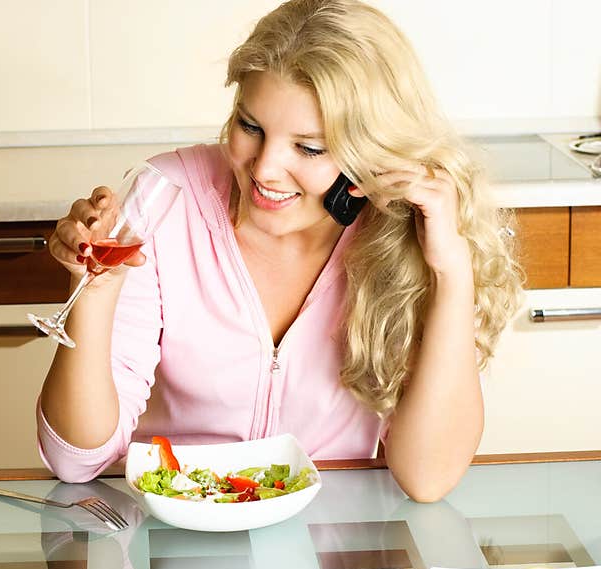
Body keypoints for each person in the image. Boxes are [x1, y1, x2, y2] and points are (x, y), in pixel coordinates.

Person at [33, 0, 523, 502]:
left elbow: (428, 478)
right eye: (250, 126)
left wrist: (450, 272)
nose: (265, 169)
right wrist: (92, 290)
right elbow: (77, 459)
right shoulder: (171, 198)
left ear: (370, 154)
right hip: (181, 540)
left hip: (335, 552)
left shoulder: (398, 235)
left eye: (309, 148)